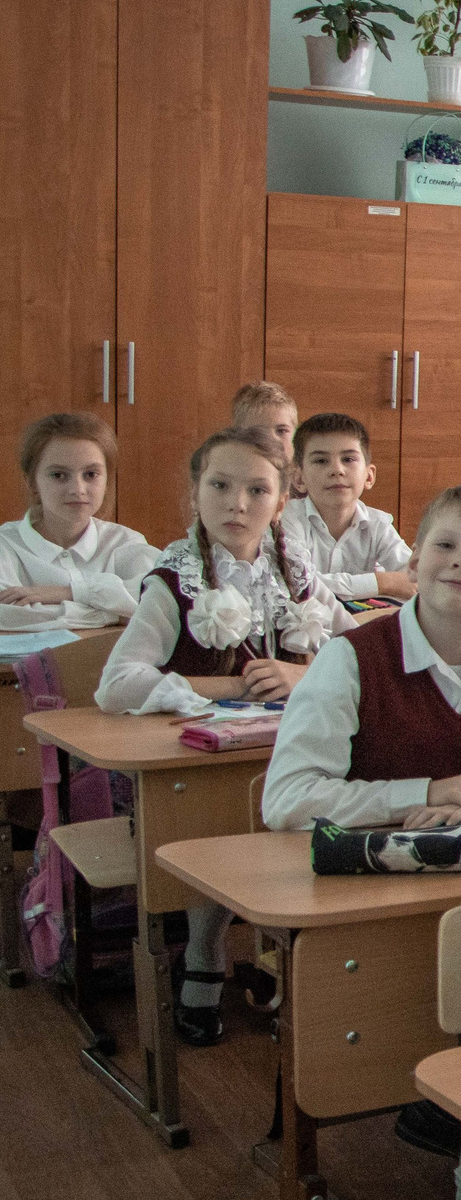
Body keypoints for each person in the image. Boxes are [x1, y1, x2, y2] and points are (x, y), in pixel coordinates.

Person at [101, 428, 351, 1046]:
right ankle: (205, 956)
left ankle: (303, 974)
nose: (237, 503)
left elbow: (361, 651)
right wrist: (227, 689)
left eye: (257, 489)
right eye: (220, 485)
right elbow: (117, 683)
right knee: (221, 826)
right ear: (194, 493)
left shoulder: (298, 577)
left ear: (282, 500)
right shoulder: (173, 581)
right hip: (196, 767)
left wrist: (301, 672)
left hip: (286, 757)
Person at [263, 482, 461, 832]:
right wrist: (425, 795)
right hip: (363, 873)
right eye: (445, 545)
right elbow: (286, 799)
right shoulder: (350, 660)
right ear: (414, 564)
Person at [0, 411, 154, 629]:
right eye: (59, 475)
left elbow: (161, 602)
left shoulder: (125, 542)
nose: (77, 489)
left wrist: (71, 592)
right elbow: (7, 616)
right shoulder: (5, 545)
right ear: (32, 483)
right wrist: (115, 614)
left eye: (91, 474)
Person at [283, 412, 416, 601]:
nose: (337, 470)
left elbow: (413, 578)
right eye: (321, 461)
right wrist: (382, 582)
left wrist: (396, 582)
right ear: (298, 479)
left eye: (348, 459)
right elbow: (298, 584)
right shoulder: (288, 519)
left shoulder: (378, 524)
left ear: (369, 476)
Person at [231, 380, 297, 469]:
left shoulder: (310, 480)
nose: (273, 440)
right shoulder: (228, 480)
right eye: (259, 433)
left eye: (281, 431)